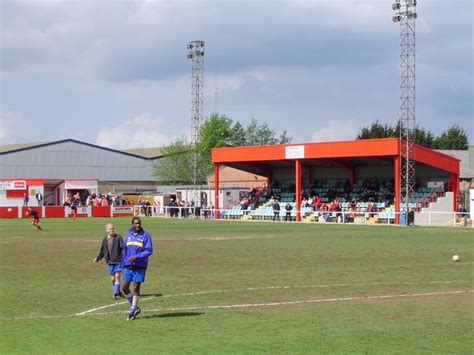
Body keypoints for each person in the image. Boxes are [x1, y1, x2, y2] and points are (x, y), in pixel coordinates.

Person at [122, 217, 153, 321]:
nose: (138, 225)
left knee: (136, 288)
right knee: (124, 287)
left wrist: (137, 256)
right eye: (136, 224)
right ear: (132, 224)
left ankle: (133, 309)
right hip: (128, 265)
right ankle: (134, 307)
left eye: (139, 223)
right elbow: (124, 251)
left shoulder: (145, 235)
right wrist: (123, 264)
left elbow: (149, 250)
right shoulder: (128, 235)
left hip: (139, 266)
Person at [94, 224, 124, 299]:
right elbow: (102, 251)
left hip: (118, 261)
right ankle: (118, 290)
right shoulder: (105, 240)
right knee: (112, 279)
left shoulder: (118, 237)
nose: (112, 230)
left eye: (113, 228)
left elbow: (123, 248)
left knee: (117, 277)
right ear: (107, 230)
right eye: (110, 229)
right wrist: (97, 258)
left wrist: (125, 257)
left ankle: (115, 293)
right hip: (109, 262)